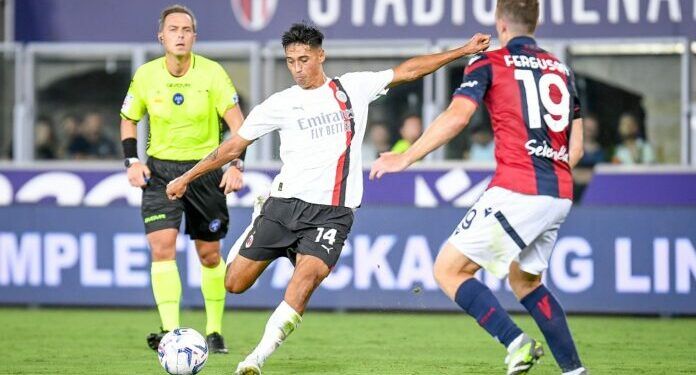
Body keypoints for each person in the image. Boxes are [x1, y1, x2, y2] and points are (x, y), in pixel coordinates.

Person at [165, 23, 490, 374]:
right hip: (283, 206)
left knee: (304, 282)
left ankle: (255, 359)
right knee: (234, 283)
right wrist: (187, 177)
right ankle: (259, 217)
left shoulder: (352, 88)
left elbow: (408, 71)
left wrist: (461, 51)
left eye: (304, 59)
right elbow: (233, 146)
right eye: (290, 61)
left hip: (332, 214)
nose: (298, 68)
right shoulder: (280, 104)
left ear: (321, 55)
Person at [370, 1, 587, 374]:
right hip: (559, 192)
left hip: (519, 187)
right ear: (536, 22)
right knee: (526, 280)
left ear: (500, 24)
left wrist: (405, 157)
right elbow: (576, 148)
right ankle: (575, 371)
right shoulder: (562, 71)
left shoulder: (491, 62)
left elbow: (458, 116)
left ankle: (516, 343)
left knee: (448, 270)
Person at [119, 4, 245, 353]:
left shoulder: (213, 74)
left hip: (205, 170)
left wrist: (236, 166)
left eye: (186, 29)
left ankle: (215, 330)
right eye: (173, 29)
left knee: (208, 254)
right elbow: (129, 118)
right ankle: (172, 333)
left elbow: (239, 127)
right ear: (161, 36)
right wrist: (131, 160)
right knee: (161, 248)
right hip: (160, 172)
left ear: (194, 36)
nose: (180, 35)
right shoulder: (146, 75)